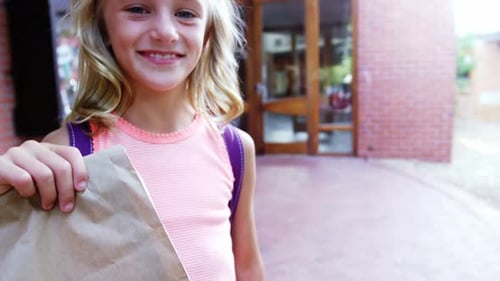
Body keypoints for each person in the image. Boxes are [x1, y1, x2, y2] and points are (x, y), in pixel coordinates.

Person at [0, 0, 265, 280]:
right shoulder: (69, 154)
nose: (165, 32)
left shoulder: (234, 149)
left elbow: (246, 266)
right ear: (102, 27)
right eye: (138, 9)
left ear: (208, 33)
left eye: (186, 14)